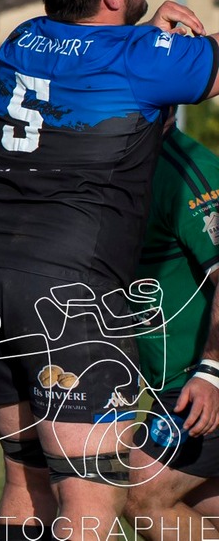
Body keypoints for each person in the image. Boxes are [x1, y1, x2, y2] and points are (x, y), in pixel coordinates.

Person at [0, 0, 216, 541]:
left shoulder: (20, 41)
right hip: (69, 293)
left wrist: (151, 34)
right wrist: (169, 37)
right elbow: (158, 68)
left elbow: (89, 53)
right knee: (89, 503)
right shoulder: (141, 60)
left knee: (26, 481)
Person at [125, 125, 219, 532]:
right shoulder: (109, 163)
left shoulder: (190, 172)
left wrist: (213, 372)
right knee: (199, 499)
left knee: (144, 497)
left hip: (198, 381)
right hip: (170, 380)